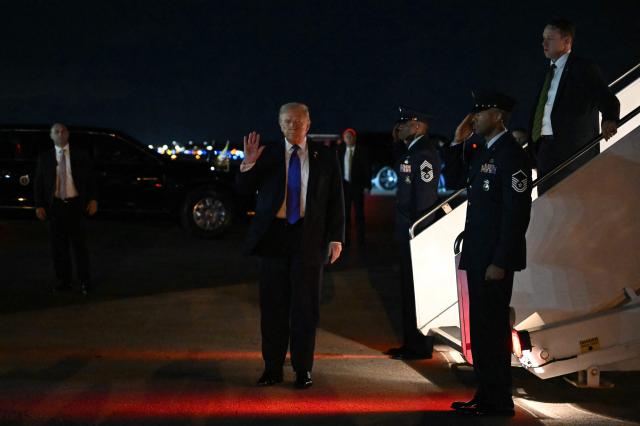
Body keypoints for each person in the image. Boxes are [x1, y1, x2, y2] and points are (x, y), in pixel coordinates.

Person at [237, 102, 344, 389]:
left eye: (297, 121)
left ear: (308, 123)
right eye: (286, 122)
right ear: (279, 124)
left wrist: (336, 237)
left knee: (306, 308)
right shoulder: (267, 154)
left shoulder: (326, 156)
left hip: (309, 239)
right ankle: (272, 368)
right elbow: (243, 190)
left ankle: (303, 369)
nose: (292, 127)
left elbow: (335, 199)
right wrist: (248, 165)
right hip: (274, 238)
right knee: (273, 307)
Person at [444, 92, 531, 417]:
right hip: (478, 255)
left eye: (480, 113)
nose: (474, 119)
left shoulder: (512, 155)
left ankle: (498, 400)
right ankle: (486, 394)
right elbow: (453, 178)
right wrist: (456, 141)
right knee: (480, 330)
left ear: (497, 115)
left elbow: (517, 213)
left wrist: (501, 261)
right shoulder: (485, 153)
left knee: (493, 332)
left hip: (493, 260)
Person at [531, 17, 619, 194]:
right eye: (543, 38)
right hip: (546, 153)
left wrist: (609, 119)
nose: (544, 43)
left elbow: (606, 98)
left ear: (566, 41)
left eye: (550, 38)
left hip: (573, 151)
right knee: (549, 206)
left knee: (574, 204)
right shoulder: (546, 74)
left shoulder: (583, 68)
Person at [385, 109, 440, 360]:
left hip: (416, 233)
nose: (400, 126)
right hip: (407, 232)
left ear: (418, 126)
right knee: (407, 290)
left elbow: (425, 200)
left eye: (405, 123)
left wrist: (419, 234)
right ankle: (411, 343)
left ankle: (419, 345)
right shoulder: (412, 151)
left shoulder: (424, 154)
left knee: (416, 292)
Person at [34, 123, 98, 295]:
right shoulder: (45, 157)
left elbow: (91, 179)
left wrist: (93, 199)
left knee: (80, 247)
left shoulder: (80, 155)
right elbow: (39, 183)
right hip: (55, 207)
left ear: (68, 134)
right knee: (58, 247)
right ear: (51, 136)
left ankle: (85, 281)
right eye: (56, 131)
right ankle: (64, 281)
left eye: (63, 131)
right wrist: (39, 204)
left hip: (76, 205)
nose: (60, 134)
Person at [338, 128, 371, 246]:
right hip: (345, 187)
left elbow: (367, 168)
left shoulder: (362, 151)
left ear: (354, 138)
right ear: (344, 139)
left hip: (357, 186)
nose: (348, 139)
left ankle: (361, 239)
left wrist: (367, 185)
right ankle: (345, 238)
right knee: (345, 213)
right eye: (346, 137)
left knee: (359, 213)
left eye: (350, 137)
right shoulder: (340, 150)